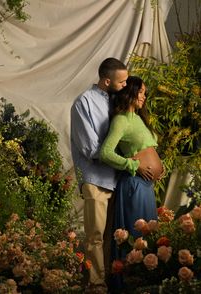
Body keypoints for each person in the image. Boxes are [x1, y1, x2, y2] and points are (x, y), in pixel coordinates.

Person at [100, 75, 164, 292]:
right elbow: (105, 153)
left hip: (146, 187)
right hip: (134, 185)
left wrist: (157, 170)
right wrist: (133, 165)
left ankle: (144, 286)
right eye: (141, 92)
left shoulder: (137, 118)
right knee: (134, 237)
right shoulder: (121, 120)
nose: (144, 96)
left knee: (147, 236)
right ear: (131, 92)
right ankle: (126, 287)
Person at [70, 58, 128, 293]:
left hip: (117, 179)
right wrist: (126, 160)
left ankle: (109, 280)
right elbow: (90, 149)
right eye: (122, 81)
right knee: (94, 235)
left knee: (111, 237)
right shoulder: (83, 103)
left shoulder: (118, 102)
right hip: (95, 179)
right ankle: (96, 284)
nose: (126, 85)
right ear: (107, 81)